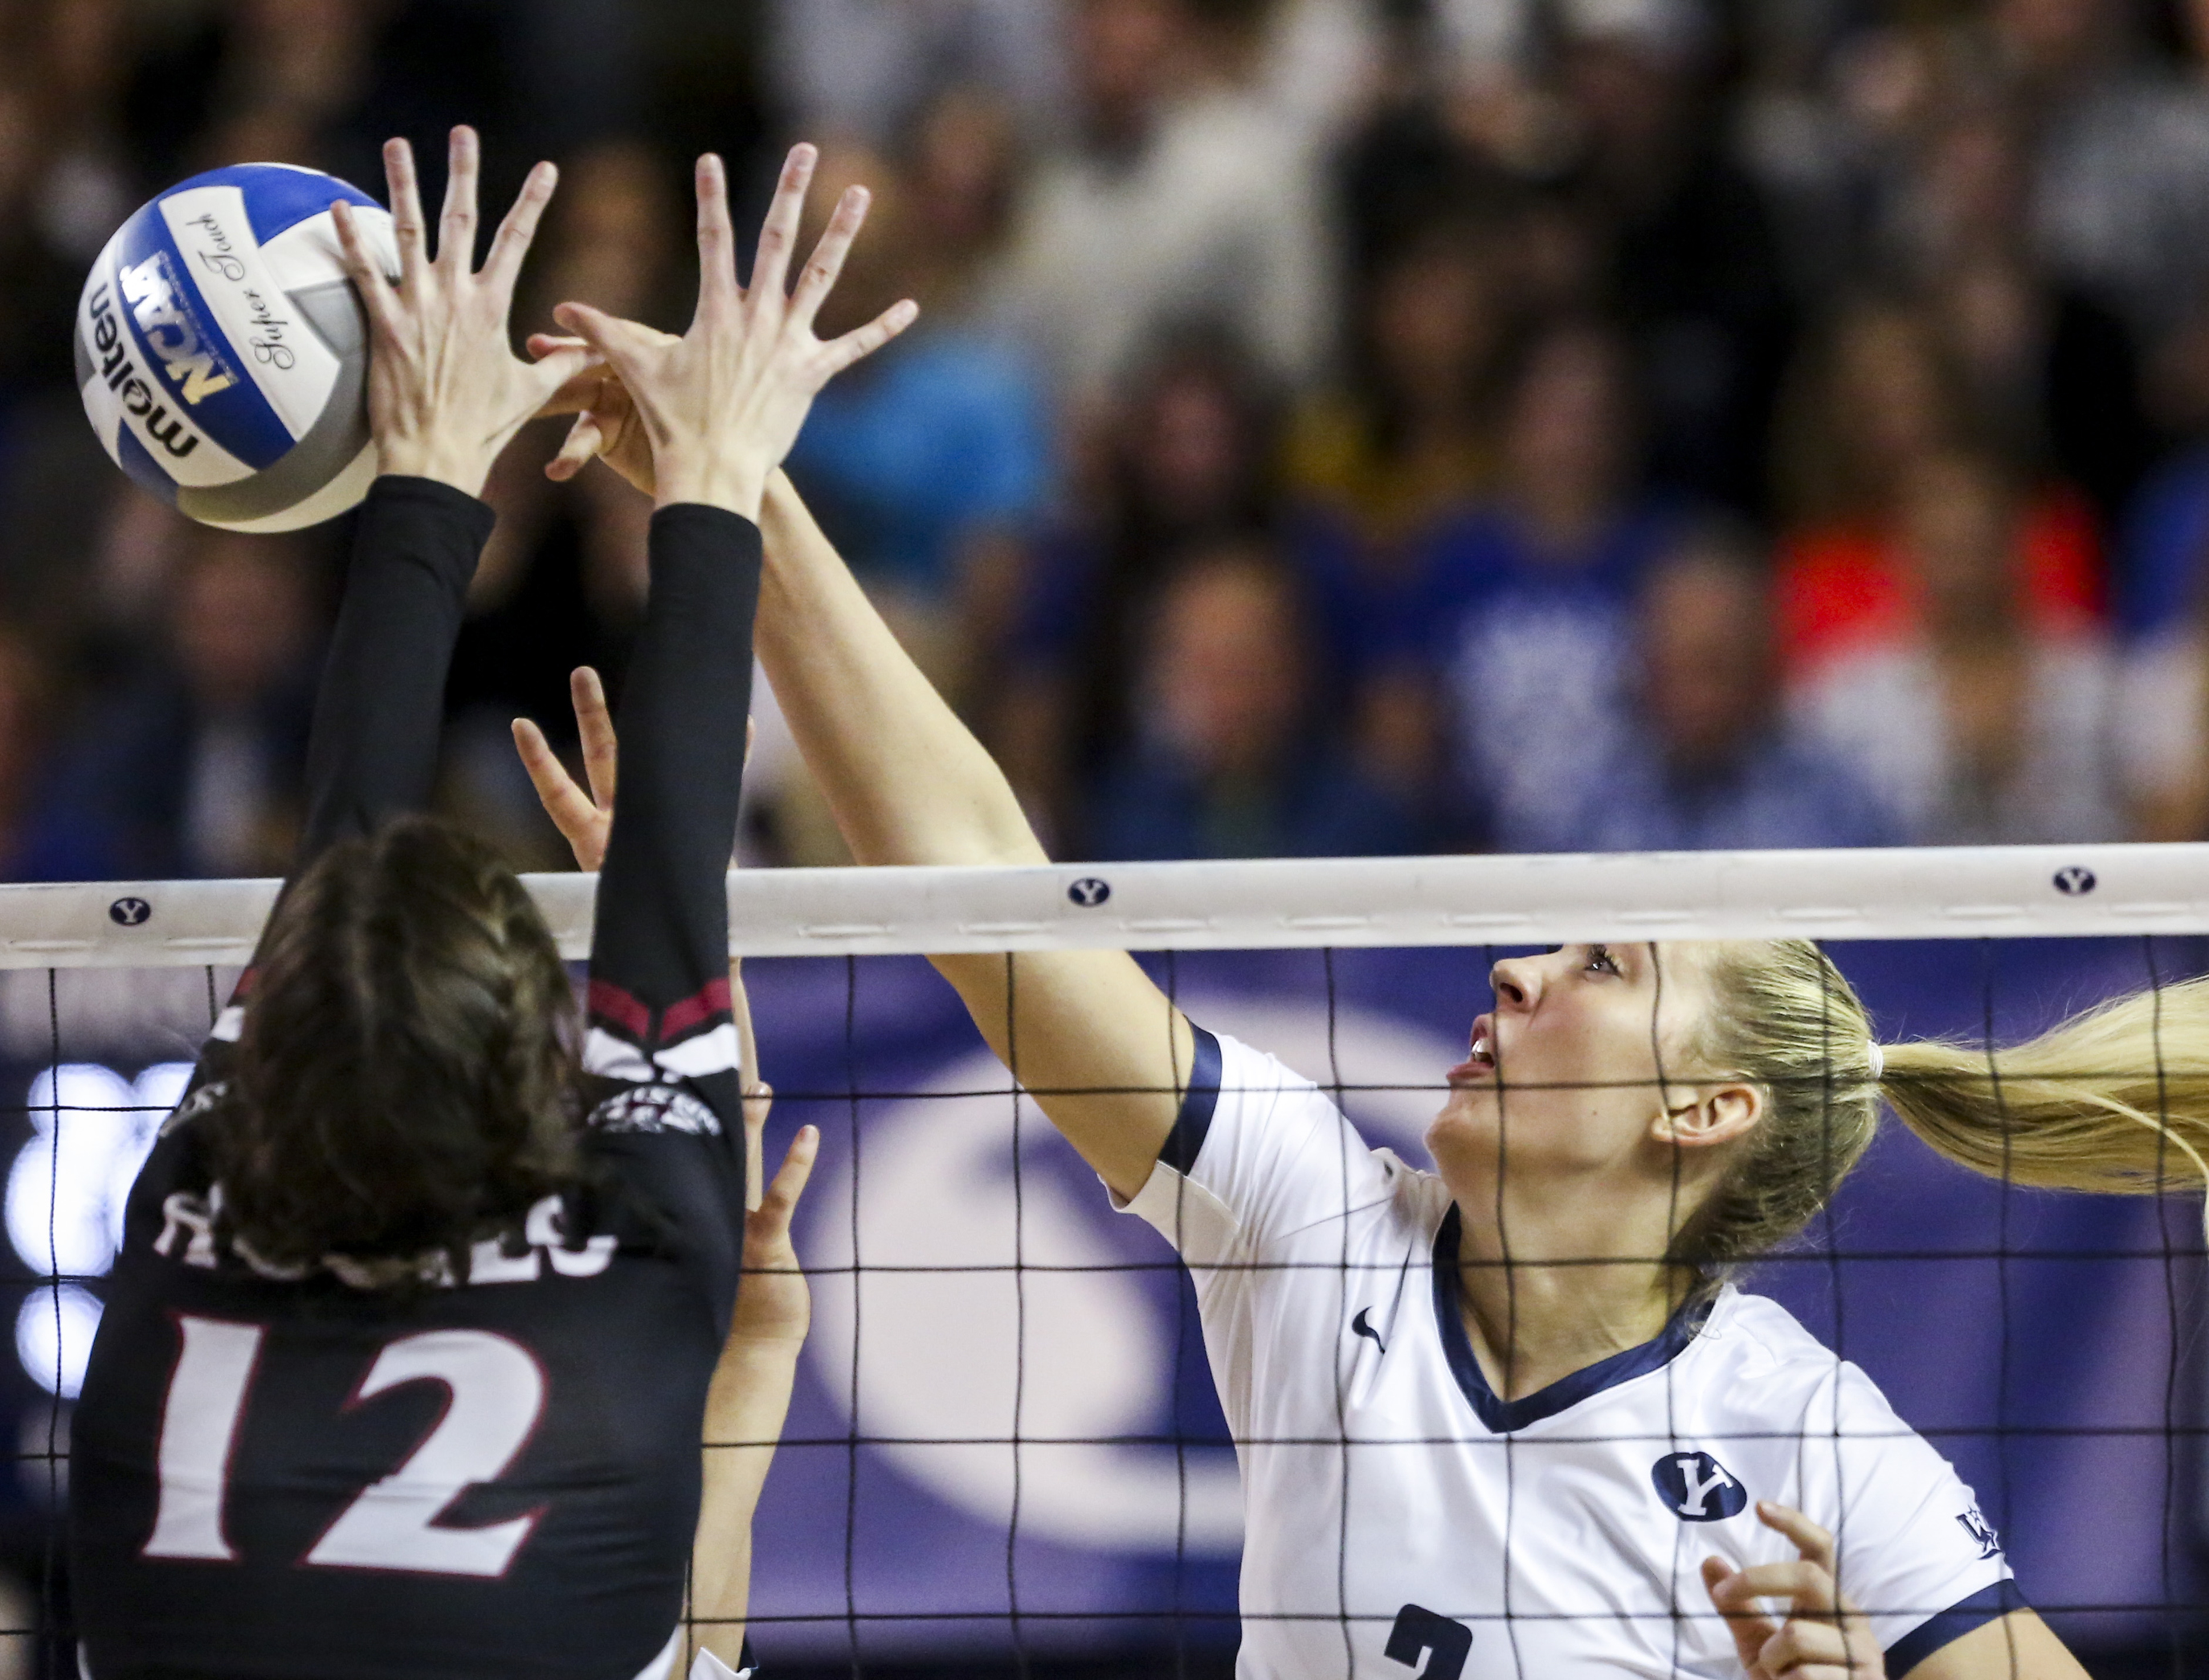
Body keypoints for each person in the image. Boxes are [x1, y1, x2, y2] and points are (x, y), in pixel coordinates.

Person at [529, 342, 2183, 1680]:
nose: (1515, 970)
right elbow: (976, 879)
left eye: (1600, 969)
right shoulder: (1320, 1225)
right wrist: (734, 485)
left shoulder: (1802, 1430)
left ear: (1704, 1109)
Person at [67, 128, 905, 1678]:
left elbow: (633, 903)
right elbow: (349, 863)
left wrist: (677, 470)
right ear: (537, 1091)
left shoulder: (203, 1222)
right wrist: (452, 466)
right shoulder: (206, 1222)